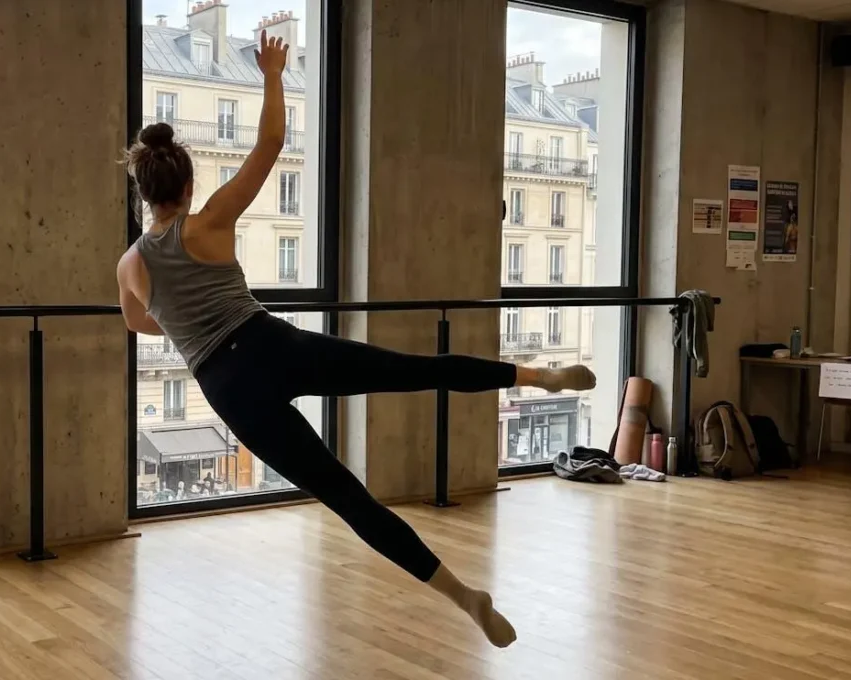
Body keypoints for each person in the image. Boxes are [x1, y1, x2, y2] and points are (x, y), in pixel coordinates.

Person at [116, 31, 598, 650]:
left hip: (226, 385)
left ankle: (464, 596)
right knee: (415, 368)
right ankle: (535, 376)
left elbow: (138, 324)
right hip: (268, 343)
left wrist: (181, 325)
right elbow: (268, 145)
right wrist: (270, 74)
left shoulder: (130, 265)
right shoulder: (210, 222)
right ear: (186, 186)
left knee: (345, 496)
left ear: (144, 192)